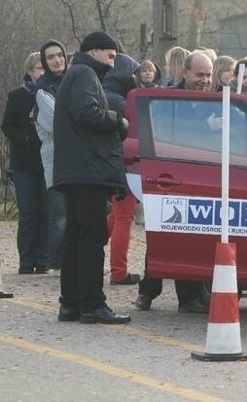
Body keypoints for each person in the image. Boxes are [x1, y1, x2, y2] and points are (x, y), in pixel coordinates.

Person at [53, 30, 130, 324]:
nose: (113, 58)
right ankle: (92, 304)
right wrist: (118, 121)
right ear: (94, 50)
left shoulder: (77, 74)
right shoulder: (84, 73)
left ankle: (71, 304)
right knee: (91, 238)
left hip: (76, 171)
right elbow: (88, 114)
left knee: (76, 236)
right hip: (87, 172)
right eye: (110, 52)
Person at [133, 51, 213, 314]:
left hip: (201, 182)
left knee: (195, 241)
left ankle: (189, 298)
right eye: (200, 75)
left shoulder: (215, 103)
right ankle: (147, 292)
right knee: (161, 239)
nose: (205, 80)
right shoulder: (167, 101)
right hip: (169, 181)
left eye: (209, 75)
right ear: (184, 74)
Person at [2, 52, 48, 275]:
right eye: (39, 68)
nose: (43, 72)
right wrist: (26, 140)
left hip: (48, 161)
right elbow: (8, 125)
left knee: (47, 210)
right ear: (30, 71)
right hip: (25, 162)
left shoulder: (52, 93)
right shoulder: (17, 96)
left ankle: (43, 258)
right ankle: (26, 259)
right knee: (29, 211)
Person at [103, 53, 143, 283]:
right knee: (123, 218)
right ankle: (119, 272)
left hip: (113, 164)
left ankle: (87, 253)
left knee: (115, 216)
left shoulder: (106, 95)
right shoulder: (120, 101)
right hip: (124, 165)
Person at [34, 40, 68, 271]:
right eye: (51, 57)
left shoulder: (72, 82)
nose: (57, 60)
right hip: (55, 157)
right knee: (60, 214)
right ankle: (58, 260)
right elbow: (58, 122)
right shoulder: (42, 89)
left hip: (77, 158)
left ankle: (73, 258)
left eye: (59, 55)